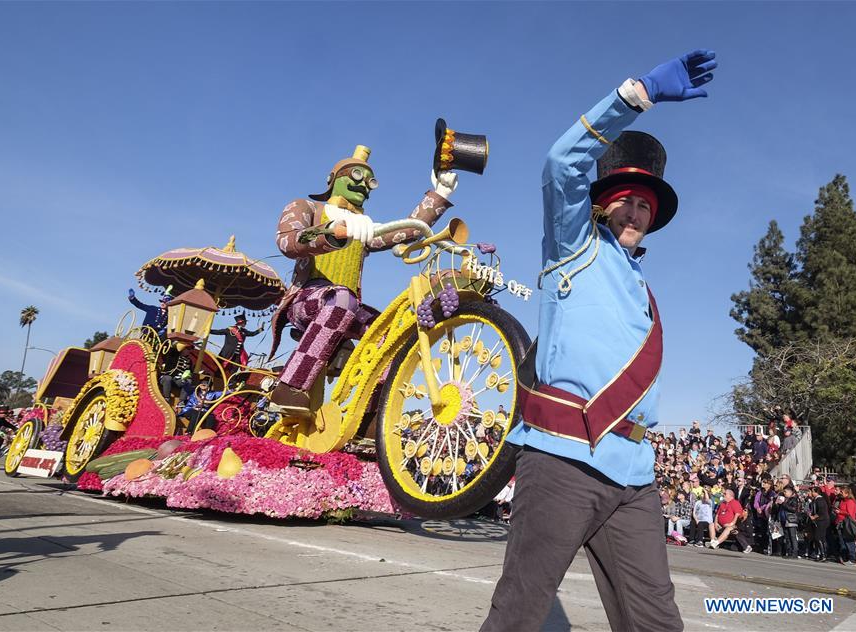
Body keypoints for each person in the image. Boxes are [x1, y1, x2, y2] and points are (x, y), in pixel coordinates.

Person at [481, 49, 717, 632]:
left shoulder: (642, 287)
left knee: (657, 623)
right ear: (603, 201)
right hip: (563, 459)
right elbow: (562, 163)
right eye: (627, 199)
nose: (636, 210)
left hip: (635, 476)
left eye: (646, 204)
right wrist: (636, 94)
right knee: (519, 615)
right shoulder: (574, 245)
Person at [268, 144, 458, 418]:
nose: (364, 186)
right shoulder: (306, 207)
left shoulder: (364, 227)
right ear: (333, 180)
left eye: (370, 181)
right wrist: (330, 231)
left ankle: (370, 419)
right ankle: (289, 387)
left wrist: (440, 193)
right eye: (356, 177)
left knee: (389, 334)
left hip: (345, 303)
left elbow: (404, 231)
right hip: (305, 300)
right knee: (342, 299)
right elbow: (289, 240)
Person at [708, 488, 752, 552]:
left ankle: (716, 543)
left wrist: (732, 523)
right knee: (711, 524)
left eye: (725, 494)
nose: (723, 495)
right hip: (720, 525)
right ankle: (712, 541)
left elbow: (737, 515)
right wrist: (715, 523)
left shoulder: (735, 503)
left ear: (731, 495)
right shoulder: (722, 503)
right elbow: (717, 514)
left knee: (728, 528)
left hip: (732, 526)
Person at [835, 487, 856, 565]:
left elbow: (850, 513)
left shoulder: (850, 502)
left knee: (849, 541)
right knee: (842, 542)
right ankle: (845, 557)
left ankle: (852, 559)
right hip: (840, 522)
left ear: (847, 494)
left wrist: (840, 511)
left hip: (847, 524)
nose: (841, 493)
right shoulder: (843, 500)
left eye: (842, 492)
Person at [807, 486, 831, 562]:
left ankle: (823, 555)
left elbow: (821, 511)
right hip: (819, 521)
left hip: (822, 521)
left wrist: (814, 516)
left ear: (816, 492)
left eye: (813, 491)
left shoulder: (820, 500)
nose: (811, 493)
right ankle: (821, 554)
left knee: (819, 537)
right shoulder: (816, 500)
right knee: (819, 537)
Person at [777, 485, 801, 559]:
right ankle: (789, 552)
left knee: (792, 536)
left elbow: (793, 509)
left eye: (786, 492)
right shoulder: (785, 499)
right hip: (784, 520)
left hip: (791, 520)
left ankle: (795, 552)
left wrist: (783, 503)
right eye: (784, 491)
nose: (784, 493)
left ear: (790, 492)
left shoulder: (793, 499)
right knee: (787, 537)